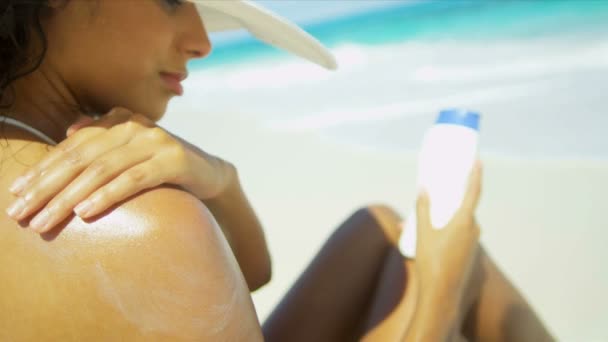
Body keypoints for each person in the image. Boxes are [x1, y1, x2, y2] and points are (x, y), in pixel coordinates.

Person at [0, 0, 554, 340]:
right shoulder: (136, 222)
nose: (203, 41)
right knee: (447, 264)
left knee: (379, 230)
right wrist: (441, 289)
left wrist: (220, 177)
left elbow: (251, 273)